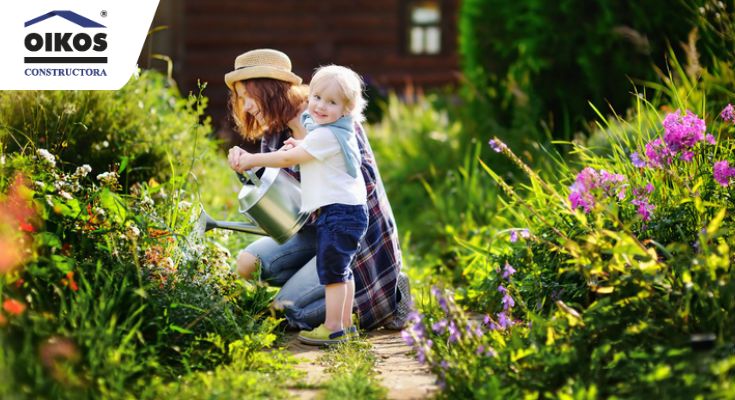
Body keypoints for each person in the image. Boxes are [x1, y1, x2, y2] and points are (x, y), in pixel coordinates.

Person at [223, 49, 409, 335]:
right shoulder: (275, 133)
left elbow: (366, 192)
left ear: (269, 90)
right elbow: (280, 206)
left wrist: (302, 157)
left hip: (352, 237)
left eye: (248, 95)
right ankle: (305, 291)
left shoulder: (333, 118)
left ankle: (387, 295)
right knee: (248, 264)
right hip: (312, 230)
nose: (245, 106)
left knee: (285, 313)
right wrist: (247, 170)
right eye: (239, 98)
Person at [229, 64, 368, 344]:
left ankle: (333, 327)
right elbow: (291, 172)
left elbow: (288, 160)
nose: (317, 106)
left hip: (342, 217)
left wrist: (253, 159)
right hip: (331, 218)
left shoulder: (328, 131)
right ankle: (344, 325)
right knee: (339, 271)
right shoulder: (319, 129)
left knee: (332, 274)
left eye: (249, 95)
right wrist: (249, 168)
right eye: (316, 98)